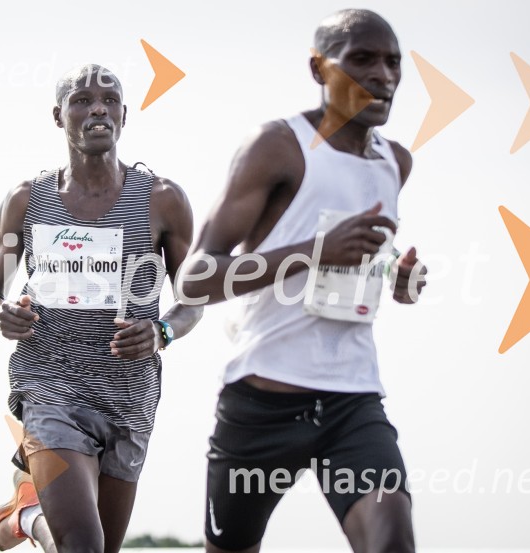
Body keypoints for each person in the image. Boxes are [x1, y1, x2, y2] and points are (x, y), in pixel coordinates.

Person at [177, 9, 426, 553]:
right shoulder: (276, 146)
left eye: (393, 62)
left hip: (352, 402)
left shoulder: (395, 162)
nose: (382, 75)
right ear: (319, 68)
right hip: (263, 401)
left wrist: (397, 278)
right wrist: (314, 254)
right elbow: (194, 278)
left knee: (392, 544)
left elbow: (361, 264)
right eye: (361, 59)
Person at [0, 64, 203, 553]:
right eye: (81, 100)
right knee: (81, 544)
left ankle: (24, 514)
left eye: (110, 99)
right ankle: (33, 512)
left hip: (129, 395)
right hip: (50, 383)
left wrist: (161, 331)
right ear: (59, 117)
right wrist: (2, 315)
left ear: (123, 115)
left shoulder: (162, 200)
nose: (97, 107)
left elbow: (193, 300)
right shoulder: (26, 199)